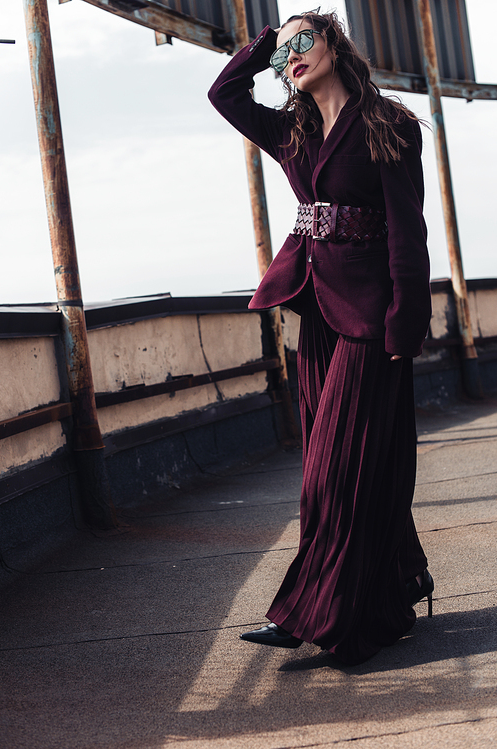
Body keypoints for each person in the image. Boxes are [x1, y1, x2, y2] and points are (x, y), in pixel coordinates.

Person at [208, 10, 434, 666]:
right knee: (342, 466)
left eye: (305, 41)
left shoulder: (386, 122)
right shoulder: (292, 131)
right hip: (317, 315)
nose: (293, 57)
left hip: (371, 318)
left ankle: (312, 612)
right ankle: (393, 588)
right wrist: (267, 45)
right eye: (284, 55)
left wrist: (405, 323)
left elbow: (406, 229)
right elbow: (224, 94)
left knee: (336, 471)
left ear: (335, 42)